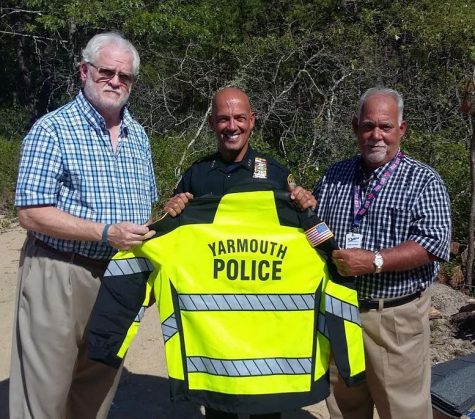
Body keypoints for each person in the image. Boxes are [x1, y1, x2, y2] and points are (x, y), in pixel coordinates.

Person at [10, 32, 158, 419]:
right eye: (106, 71)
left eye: (124, 77)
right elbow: (31, 212)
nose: (115, 81)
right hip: (60, 272)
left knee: (98, 389)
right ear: (84, 71)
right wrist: (105, 232)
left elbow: (145, 208)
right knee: (42, 395)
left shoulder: (138, 137)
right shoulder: (52, 130)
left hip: (118, 279)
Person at [164, 86, 316, 419]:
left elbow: (303, 236)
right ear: (212, 124)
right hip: (214, 328)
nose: (231, 126)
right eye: (222, 119)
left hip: (263, 328)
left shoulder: (274, 174)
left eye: (239, 118)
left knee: (266, 410)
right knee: (220, 411)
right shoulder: (195, 175)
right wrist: (170, 210)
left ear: (252, 121)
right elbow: (169, 232)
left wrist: (307, 208)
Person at [313, 87, 451, 419]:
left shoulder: (423, 181)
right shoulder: (334, 176)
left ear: (401, 130)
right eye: (368, 126)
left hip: (394, 318)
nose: (376, 135)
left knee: (402, 409)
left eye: (385, 127)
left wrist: (374, 260)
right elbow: (314, 229)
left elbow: (435, 242)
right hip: (340, 314)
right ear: (355, 127)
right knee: (346, 405)